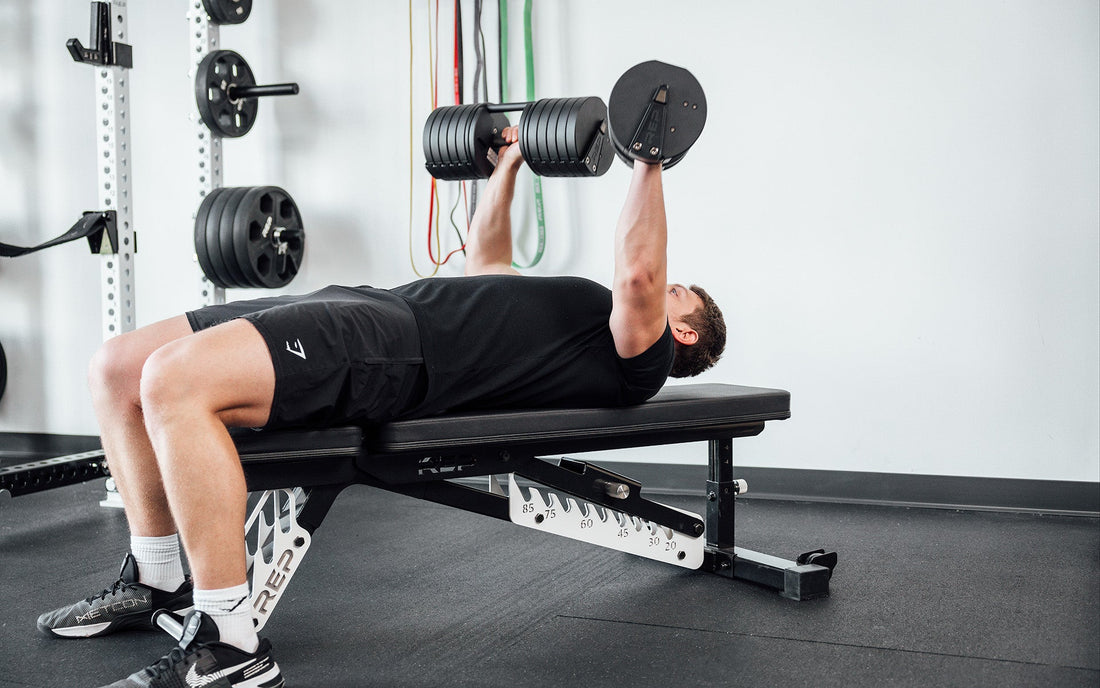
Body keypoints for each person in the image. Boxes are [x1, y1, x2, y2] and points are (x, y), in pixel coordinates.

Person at [37, 126, 726, 688]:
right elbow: (487, 260)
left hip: (397, 350)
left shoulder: (643, 360)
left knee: (173, 383)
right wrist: (511, 162)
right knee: (119, 367)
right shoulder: (586, 320)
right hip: (375, 305)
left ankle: (229, 639)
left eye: (680, 293)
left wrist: (649, 157)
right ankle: (155, 578)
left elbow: (639, 272)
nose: (667, 286)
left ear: (684, 332)